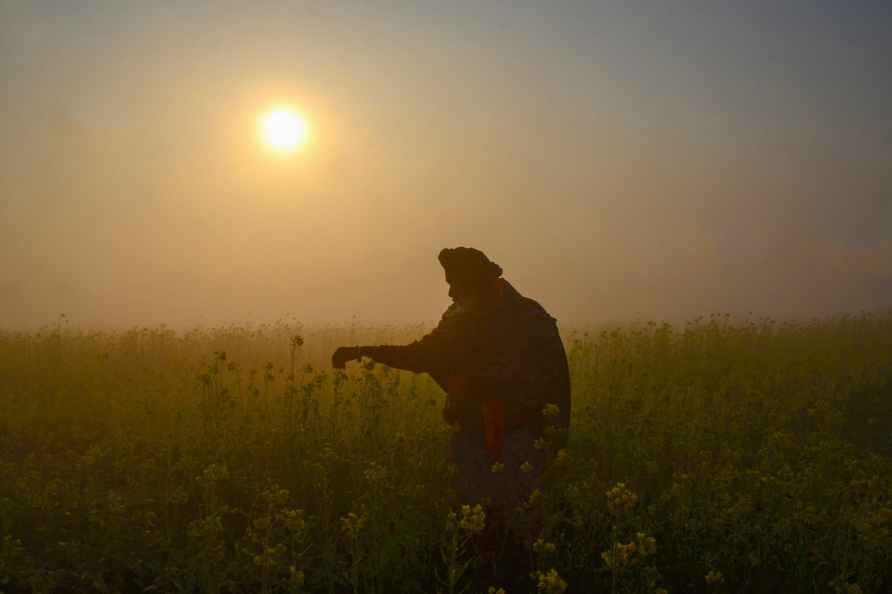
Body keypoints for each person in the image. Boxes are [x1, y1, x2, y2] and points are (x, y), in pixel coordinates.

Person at [332, 247, 571, 547]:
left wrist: (552, 442)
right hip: (471, 437)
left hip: (519, 443)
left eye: (454, 284)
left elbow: (555, 387)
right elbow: (424, 356)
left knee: (520, 530)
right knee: (473, 529)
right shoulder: (459, 316)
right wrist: (363, 351)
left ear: (476, 285)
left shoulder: (529, 319)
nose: (449, 293)